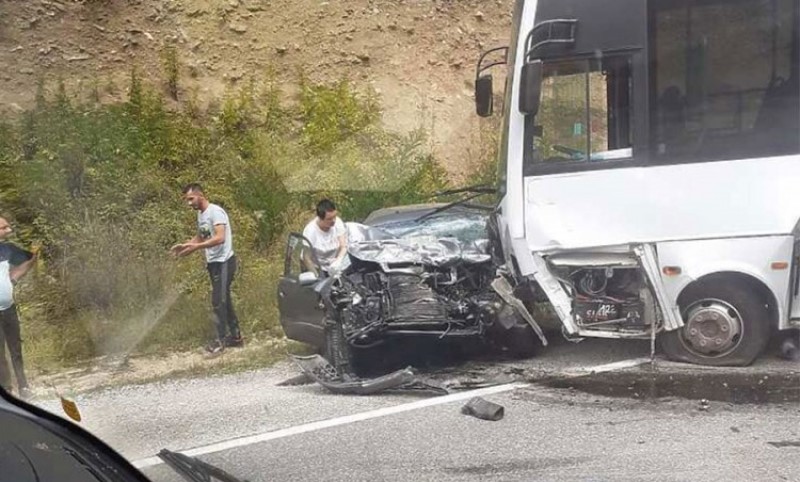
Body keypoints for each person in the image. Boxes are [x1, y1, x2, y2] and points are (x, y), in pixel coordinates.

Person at [171, 184, 242, 354]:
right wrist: (186, 247)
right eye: (186, 200)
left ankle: (220, 341)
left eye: (191, 199)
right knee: (224, 299)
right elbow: (201, 236)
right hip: (213, 263)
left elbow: (219, 238)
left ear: (200, 195)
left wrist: (196, 248)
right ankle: (236, 337)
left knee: (218, 301)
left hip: (225, 261)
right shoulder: (200, 214)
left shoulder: (215, 212)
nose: (189, 203)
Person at [0, 216, 36, 398]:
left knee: (15, 349)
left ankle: (24, 386)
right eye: (3, 228)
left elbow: (29, 258)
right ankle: (7, 391)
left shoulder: (8, 250)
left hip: (8, 308)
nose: (8, 230)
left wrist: (14, 277)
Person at [302, 199, 348, 273]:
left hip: (334, 265)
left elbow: (343, 246)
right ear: (320, 218)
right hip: (317, 267)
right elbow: (306, 258)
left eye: (334, 217)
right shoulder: (310, 231)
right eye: (329, 219)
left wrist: (338, 260)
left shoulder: (337, 223)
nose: (333, 221)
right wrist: (316, 276)